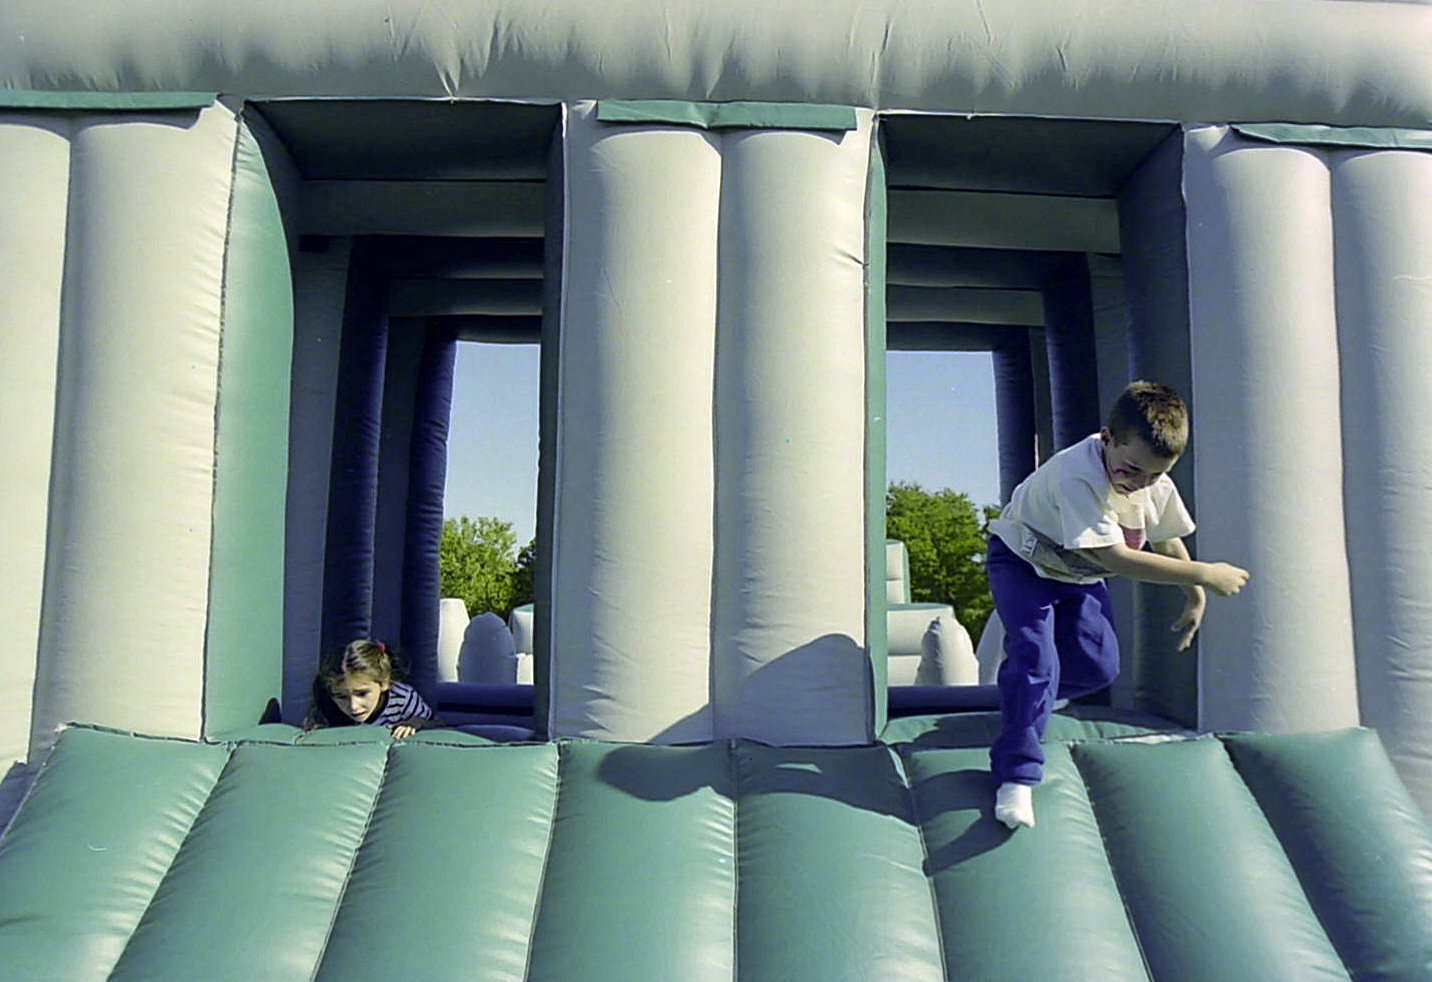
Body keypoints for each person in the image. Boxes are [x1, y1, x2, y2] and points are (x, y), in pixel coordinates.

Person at [985, 381, 1248, 829]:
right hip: (1023, 563)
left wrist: (1194, 595)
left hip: (1077, 575)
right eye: (1131, 471)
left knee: (1098, 669)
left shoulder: (1150, 479)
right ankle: (1016, 775)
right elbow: (1116, 559)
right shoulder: (1078, 476)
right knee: (1036, 660)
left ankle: (1025, 697)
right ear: (1107, 438)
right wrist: (1205, 573)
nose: (1140, 484)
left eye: (1155, 475)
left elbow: (1166, 539)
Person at [304, 638, 439, 738]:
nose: (353, 706)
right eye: (341, 697)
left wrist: (416, 723)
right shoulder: (328, 704)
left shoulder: (402, 699)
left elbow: (437, 725)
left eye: (362, 694)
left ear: (384, 683)